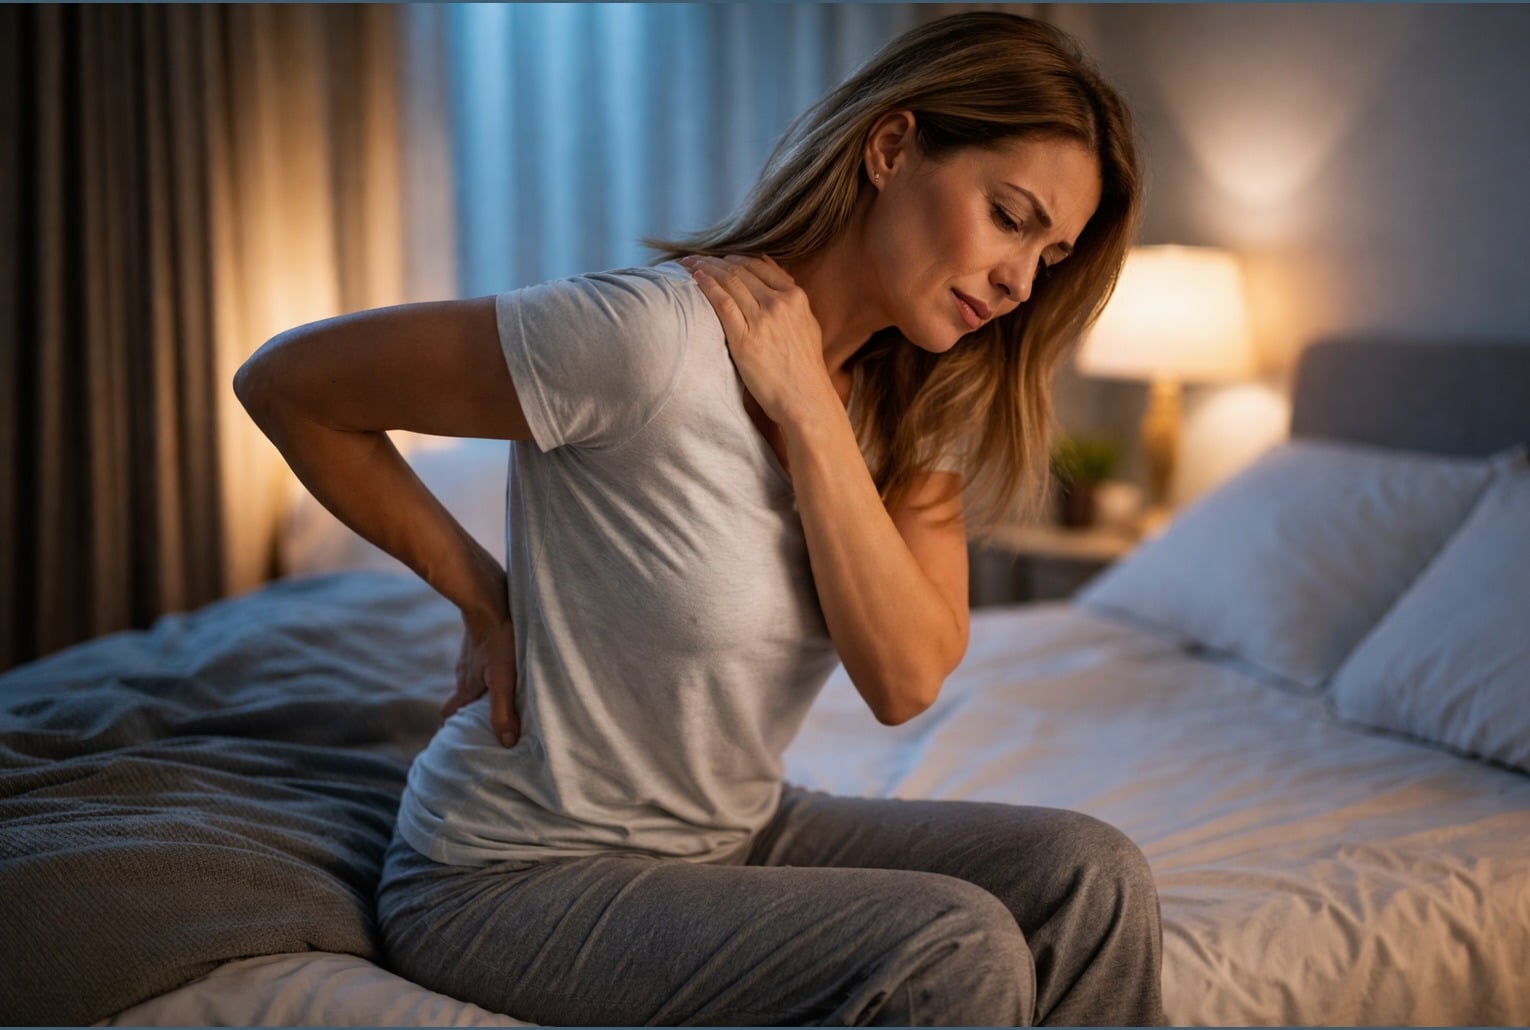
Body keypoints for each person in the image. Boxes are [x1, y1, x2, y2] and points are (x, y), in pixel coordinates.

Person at [236, 11, 1160, 1026]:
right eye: (1009, 216)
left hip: (729, 833)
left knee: (1093, 876)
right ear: (892, 148)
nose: (1021, 281)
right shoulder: (647, 337)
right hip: (507, 877)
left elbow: (904, 678)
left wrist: (810, 407)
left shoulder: (913, 408)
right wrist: (483, 598)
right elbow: (288, 384)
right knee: (951, 946)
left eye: (1053, 255)